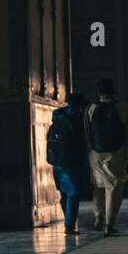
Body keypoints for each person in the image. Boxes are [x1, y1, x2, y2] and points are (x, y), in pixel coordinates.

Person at [85, 77, 128, 235]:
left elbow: (87, 134)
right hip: (115, 154)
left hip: (95, 155)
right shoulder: (123, 108)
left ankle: (98, 217)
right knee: (114, 189)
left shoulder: (91, 108)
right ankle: (109, 224)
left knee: (98, 188)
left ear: (99, 92)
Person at [46, 92, 91, 234]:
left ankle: (69, 222)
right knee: (73, 193)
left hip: (57, 160)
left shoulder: (57, 115)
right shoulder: (79, 117)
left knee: (64, 193)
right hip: (74, 160)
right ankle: (69, 226)